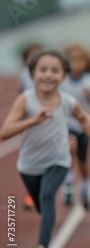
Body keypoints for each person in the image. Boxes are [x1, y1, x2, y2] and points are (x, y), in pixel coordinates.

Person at [0, 50, 90, 248]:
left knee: (47, 196)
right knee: (42, 205)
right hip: (29, 165)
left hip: (58, 159)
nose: (48, 75)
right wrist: (32, 121)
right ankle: (45, 227)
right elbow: (5, 132)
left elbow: (84, 118)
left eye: (55, 71)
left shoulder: (66, 101)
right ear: (33, 74)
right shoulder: (25, 100)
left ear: (64, 75)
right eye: (43, 70)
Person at [60, 44, 90, 210]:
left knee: (83, 162)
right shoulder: (61, 80)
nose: (76, 64)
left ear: (86, 62)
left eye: (79, 60)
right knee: (68, 151)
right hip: (65, 124)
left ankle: (84, 187)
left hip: (84, 126)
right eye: (72, 60)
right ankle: (68, 185)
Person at [17, 42, 43, 211]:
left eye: (37, 54)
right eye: (30, 55)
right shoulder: (23, 75)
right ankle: (32, 194)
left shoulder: (47, 72)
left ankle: (40, 193)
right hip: (30, 122)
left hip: (46, 120)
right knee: (29, 159)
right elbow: (20, 93)